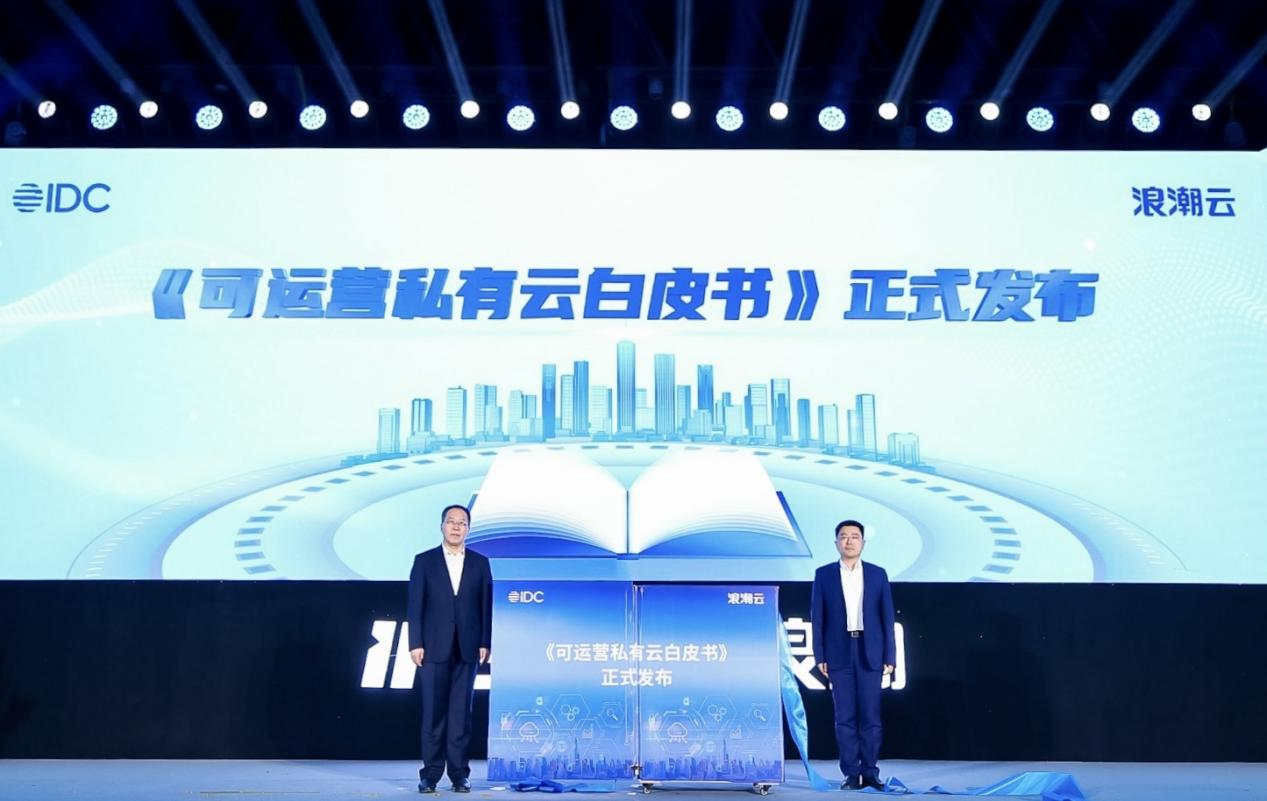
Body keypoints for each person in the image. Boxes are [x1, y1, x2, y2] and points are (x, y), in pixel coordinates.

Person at [407, 503, 492, 794]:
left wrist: (485, 642)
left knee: (460, 716)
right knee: (433, 714)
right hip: (432, 647)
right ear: (442, 526)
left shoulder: (480, 563)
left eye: (462, 522)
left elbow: (485, 605)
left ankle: (459, 775)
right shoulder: (424, 561)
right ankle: (430, 774)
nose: (456, 527)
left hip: (468, 647)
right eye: (451, 521)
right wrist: (415, 642)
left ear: (468, 528)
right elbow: (415, 605)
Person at [810, 519, 895, 791]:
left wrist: (890, 656)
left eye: (855, 536)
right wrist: (819, 654)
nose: (849, 541)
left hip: (870, 651)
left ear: (863, 542)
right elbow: (817, 618)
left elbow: (887, 618)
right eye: (844, 536)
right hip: (838, 652)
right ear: (836, 542)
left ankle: (870, 772)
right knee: (844, 717)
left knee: (871, 717)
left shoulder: (877, 574)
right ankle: (851, 774)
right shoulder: (824, 575)